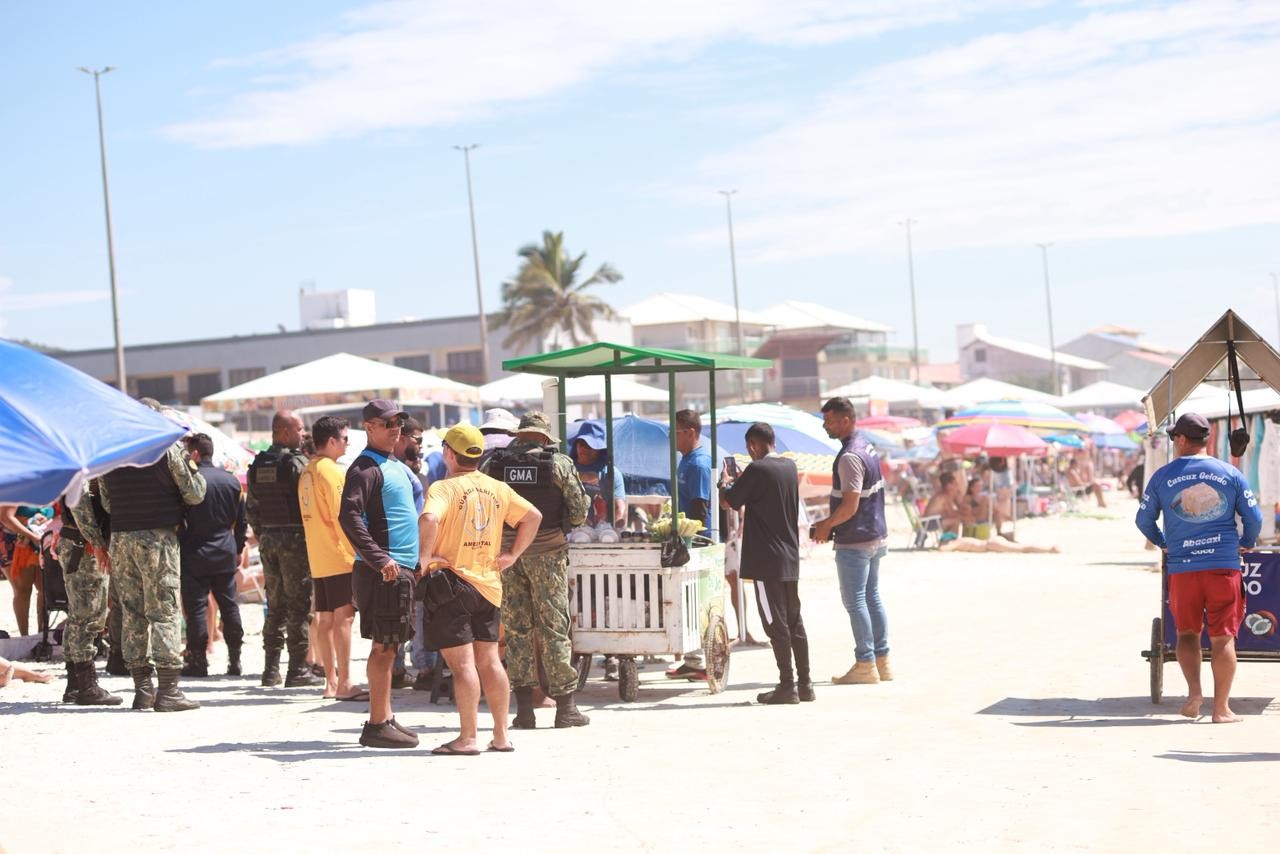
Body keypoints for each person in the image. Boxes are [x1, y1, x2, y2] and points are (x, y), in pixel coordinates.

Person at [419, 423, 543, 755]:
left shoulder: (443, 489)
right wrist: (511, 555)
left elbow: (429, 520)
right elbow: (533, 516)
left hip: (453, 585)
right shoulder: (497, 488)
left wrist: (425, 558)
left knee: (462, 667)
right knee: (490, 661)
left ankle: (468, 737)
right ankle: (501, 735)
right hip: (488, 584)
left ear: (449, 452)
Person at [1136, 412, 1262, 724]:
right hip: (1223, 567)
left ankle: (1194, 693)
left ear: (1181, 439)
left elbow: (1142, 520)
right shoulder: (1230, 473)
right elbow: (1254, 518)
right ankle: (1221, 710)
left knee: (1187, 633)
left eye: (1172, 437)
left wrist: (1164, 542)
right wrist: (1246, 541)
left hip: (1184, 568)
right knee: (1223, 638)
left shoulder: (1163, 476)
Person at [482, 412, 591, 728]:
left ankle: (525, 711)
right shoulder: (559, 465)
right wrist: (562, 527)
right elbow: (580, 511)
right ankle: (566, 708)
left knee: (517, 629)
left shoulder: (495, 465)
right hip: (548, 553)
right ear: (543, 438)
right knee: (554, 626)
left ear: (520, 435)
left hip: (507, 556)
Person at [100, 416, 207, 712]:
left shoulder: (112, 455)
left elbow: (108, 503)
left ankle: (143, 690)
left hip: (121, 539)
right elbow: (196, 493)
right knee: (164, 611)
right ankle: (169, 691)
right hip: (157, 539)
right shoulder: (167, 450)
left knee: (133, 613)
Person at [339, 400, 421, 749]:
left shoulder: (395, 465)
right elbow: (349, 517)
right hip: (383, 571)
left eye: (398, 424)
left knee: (392, 644)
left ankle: (384, 715)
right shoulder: (364, 468)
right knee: (385, 646)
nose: (395, 429)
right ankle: (376, 723)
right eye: (387, 424)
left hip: (400, 569)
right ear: (369, 426)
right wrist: (379, 559)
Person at [720, 422, 810, 704]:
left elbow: (730, 501)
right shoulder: (789, 467)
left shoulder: (757, 470)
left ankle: (787, 685)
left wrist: (725, 482)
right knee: (794, 620)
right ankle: (805, 683)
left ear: (753, 446)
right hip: (789, 557)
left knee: (775, 622)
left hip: (764, 560)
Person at [812, 396, 891, 686]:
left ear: (846, 420)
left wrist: (825, 526)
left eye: (829, 420)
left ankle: (865, 663)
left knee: (855, 600)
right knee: (871, 597)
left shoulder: (849, 456)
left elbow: (849, 506)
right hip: (875, 534)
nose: (825, 426)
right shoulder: (866, 446)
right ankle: (882, 661)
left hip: (856, 539)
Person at [246, 410, 319, 688]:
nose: (303, 434)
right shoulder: (299, 464)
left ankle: (270, 670)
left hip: (269, 541)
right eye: (299, 429)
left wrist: (265, 534)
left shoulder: (258, 464)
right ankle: (297, 670)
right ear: (285, 432)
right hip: (295, 541)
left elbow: (251, 509)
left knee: (274, 606)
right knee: (298, 605)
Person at [298, 416, 365, 701]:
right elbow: (344, 517)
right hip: (339, 554)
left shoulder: (307, 471)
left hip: (317, 554)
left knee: (323, 620)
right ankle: (346, 681)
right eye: (345, 439)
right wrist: (360, 550)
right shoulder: (333, 472)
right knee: (344, 619)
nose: (347, 444)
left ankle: (330, 681)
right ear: (332, 441)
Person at [178, 434, 247, 678]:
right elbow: (241, 521)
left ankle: (197, 662)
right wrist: (238, 548)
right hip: (224, 551)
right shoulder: (231, 481)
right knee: (229, 607)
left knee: (196, 609)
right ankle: (235, 659)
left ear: (195, 453)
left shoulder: (189, 482)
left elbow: (179, 521)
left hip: (194, 552)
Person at [57, 481, 121, 705]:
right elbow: (81, 508)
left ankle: (75, 684)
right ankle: (87, 687)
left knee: (78, 614)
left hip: (79, 542)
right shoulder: (82, 473)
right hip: (83, 545)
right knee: (89, 615)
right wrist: (98, 543)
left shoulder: (80, 470)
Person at [667, 409, 713, 681]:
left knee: (696, 601)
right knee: (687, 601)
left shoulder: (698, 463)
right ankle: (693, 659)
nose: (673, 439)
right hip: (684, 539)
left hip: (695, 542)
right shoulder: (685, 460)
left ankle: (700, 659)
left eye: (677, 433)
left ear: (691, 432)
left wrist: (690, 539)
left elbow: (700, 507)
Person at [391, 416, 427, 689]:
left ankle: (403, 669)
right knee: (405, 612)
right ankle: (407, 669)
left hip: (406, 553)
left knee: (409, 612)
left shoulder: (406, 470)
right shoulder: (394, 470)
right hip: (402, 554)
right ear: (402, 438)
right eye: (417, 440)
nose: (421, 447)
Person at [570, 421, 626, 527]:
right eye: (582, 444)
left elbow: (619, 508)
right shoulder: (566, 468)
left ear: (600, 449)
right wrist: (579, 476)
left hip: (604, 533)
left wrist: (611, 531)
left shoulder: (611, 473)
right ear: (576, 445)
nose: (585, 448)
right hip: (572, 532)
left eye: (591, 445)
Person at [922, 471, 965, 539]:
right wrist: (965, 516)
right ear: (949, 485)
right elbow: (951, 513)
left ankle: (946, 540)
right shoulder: (944, 496)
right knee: (955, 521)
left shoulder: (943, 494)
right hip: (929, 522)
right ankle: (948, 541)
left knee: (954, 520)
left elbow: (949, 513)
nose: (957, 486)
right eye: (955, 484)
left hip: (932, 521)